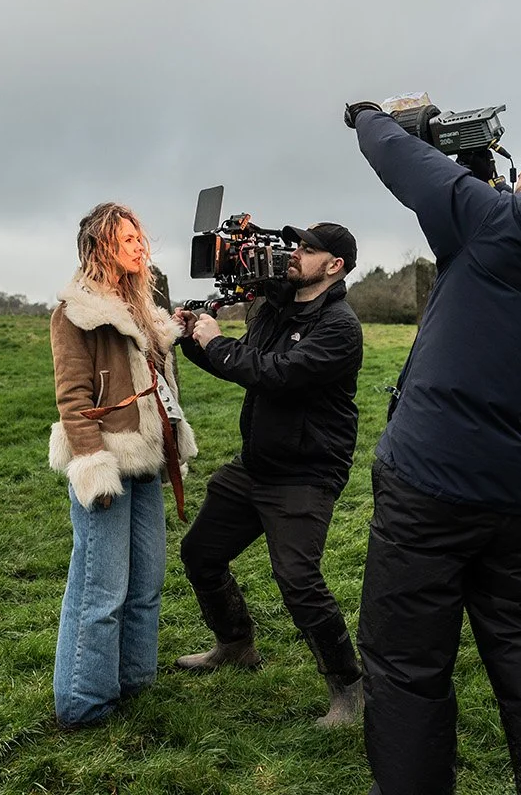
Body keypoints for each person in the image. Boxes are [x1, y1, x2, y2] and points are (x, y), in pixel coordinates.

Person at [345, 101, 521, 794]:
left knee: (408, 666)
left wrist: (370, 117)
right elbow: (505, 249)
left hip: (427, 482)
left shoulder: (494, 220)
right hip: (517, 493)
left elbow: (407, 166)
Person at [172, 222, 365, 727]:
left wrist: (218, 344)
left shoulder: (340, 326)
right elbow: (242, 365)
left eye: (307, 249)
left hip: (306, 472)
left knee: (299, 581)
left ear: (334, 265)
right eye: (295, 245)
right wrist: (195, 337)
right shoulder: (278, 308)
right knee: (200, 553)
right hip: (256, 464)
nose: (293, 254)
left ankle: (349, 688)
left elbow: (276, 375)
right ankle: (235, 645)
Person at [48, 202, 199, 728]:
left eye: (140, 237)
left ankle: (132, 685)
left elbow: (156, 371)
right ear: (101, 246)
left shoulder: (139, 307)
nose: (140, 245)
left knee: (146, 582)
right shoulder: (76, 312)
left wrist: (177, 326)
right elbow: (73, 400)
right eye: (128, 238)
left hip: (146, 460)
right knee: (101, 589)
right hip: (107, 462)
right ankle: (85, 704)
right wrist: (93, 466)